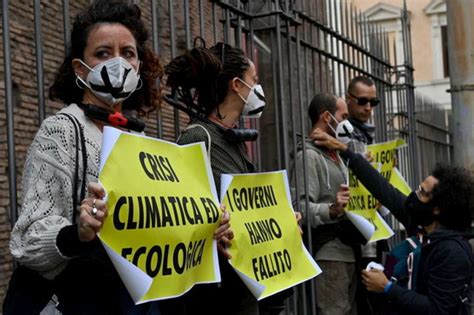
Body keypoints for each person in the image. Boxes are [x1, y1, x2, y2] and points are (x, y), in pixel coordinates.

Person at [7, 1, 231, 314]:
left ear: (139, 64)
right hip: (80, 300)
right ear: (79, 68)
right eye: (102, 53)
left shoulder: (139, 139)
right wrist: (79, 232)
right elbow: (27, 240)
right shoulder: (61, 130)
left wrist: (206, 226)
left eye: (127, 53)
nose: (118, 62)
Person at [312, 129, 474, 315]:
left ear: (437, 208)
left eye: (422, 192)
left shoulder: (451, 251)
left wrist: (387, 287)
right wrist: (344, 150)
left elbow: (438, 310)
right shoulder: (420, 222)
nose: (414, 194)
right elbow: (382, 188)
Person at [165, 42, 264, 315]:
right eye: (254, 81)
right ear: (236, 85)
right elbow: (178, 211)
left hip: (242, 278)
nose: (258, 88)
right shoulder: (197, 137)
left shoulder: (235, 140)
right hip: (215, 289)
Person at [292, 93, 365, 315]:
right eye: (343, 116)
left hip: (348, 250)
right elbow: (300, 208)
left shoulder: (337, 156)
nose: (347, 122)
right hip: (328, 253)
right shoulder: (309, 157)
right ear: (326, 117)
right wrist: (332, 210)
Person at [345, 76, 388, 314]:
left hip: (374, 223)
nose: (368, 108)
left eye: (374, 102)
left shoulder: (368, 134)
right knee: (362, 297)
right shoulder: (344, 134)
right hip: (352, 228)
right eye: (362, 101)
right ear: (348, 99)